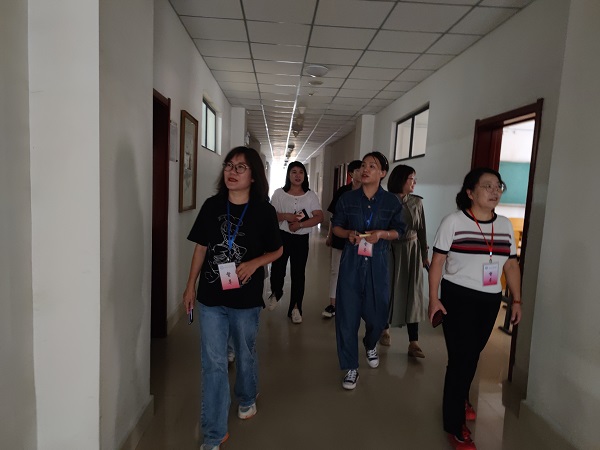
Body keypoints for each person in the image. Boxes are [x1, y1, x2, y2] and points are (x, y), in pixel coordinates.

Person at [183, 147, 283, 450]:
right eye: (229, 165)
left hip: (246, 298)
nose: (232, 171)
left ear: (253, 176)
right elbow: (201, 247)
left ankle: (247, 396)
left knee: (244, 351)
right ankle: (214, 433)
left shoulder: (263, 210)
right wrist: (190, 286)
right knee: (213, 363)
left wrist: (254, 264)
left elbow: (277, 250)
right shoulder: (212, 206)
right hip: (211, 296)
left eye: (240, 167)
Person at [428, 167, 522, 450]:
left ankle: (462, 398)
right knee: (461, 359)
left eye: (498, 186)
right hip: (457, 297)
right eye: (487, 186)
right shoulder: (453, 222)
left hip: (490, 300)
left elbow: (511, 265)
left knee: (472, 355)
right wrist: (433, 298)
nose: (495, 191)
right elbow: (438, 262)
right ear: (470, 192)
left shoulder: (504, 225)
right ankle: (454, 424)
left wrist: (517, 300)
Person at [332, 152, 405, 390]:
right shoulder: (347, 199)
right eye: (363, 165)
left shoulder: (392, 202)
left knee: (377, 316)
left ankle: (370, 343)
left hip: (378, 263)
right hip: (352, 262)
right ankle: (351, 367)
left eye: (372, 166)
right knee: (347, 317)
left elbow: (400, 231)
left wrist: (382, 234)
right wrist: (348, 234)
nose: (365, 169)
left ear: (382, 173)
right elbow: (336, 227)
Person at [380, 165, 430, 358]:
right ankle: (384, 329)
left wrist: (424, 255)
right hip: (390, 250)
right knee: (388, 290)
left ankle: (414, 342)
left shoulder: (417, 202)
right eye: (411, 178)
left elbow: (422, 229)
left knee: (413, 293)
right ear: (401, 179)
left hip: (412, 251)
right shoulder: (384, 201)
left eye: (415, 179)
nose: (414, 182)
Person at [267, 161, 323, 324]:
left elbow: (319, 216)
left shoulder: (310, 195)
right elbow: (271, 216)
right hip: (282, 236)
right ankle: (276, 292)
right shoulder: (279, 194)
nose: (297, 175)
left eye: (301, 172)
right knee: (277, 268)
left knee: (298, 274)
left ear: (305, 175)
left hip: (301, 239)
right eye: (294, 172)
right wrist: (286, 216)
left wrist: (300, 225)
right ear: (288, 175)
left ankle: (296, 308)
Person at [322, 159, 362, 318]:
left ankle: (352, 304)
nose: (362, 172)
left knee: (357, 272)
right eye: (358, 170)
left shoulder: (368, 192)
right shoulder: (342, 192)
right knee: (336, 271)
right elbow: (334, 215)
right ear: (351, 173)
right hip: (340, 237)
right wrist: (329, 235)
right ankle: (333, 304)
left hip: (361, 240)